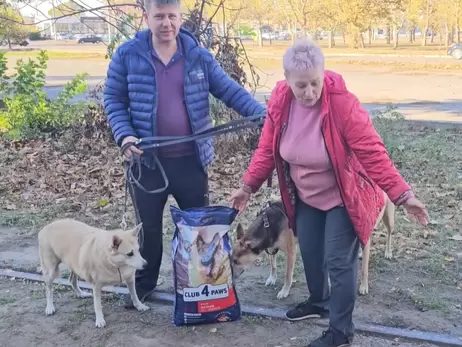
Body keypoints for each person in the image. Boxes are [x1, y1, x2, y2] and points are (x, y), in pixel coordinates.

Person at [228, 38, 429, 347]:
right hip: (305, 195)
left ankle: (340, 332)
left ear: (324, 75)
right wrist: (247, 187)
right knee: (310, 252)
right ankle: (319, 302)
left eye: (315, 83)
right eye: (301, 86)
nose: (309, 92)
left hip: (344, 196)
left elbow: (372, 152)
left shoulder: (341, 103)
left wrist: (402, 195)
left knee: (339, 260)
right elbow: (267, 150)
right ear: (287, 81)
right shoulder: (281, 102)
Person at [103, 0, 265, 309]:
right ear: (146, 17)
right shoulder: (127, 55)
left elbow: (230, 91)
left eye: (172, 16)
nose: (166, 23)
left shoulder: (198, 57)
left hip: (191, 163)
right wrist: (125, 136)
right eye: (159, 16)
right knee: (148, 230)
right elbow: (113, 98)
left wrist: (264, 116)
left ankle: (200, 284)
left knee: (197, 231)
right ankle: (145, 283)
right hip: (146, 164)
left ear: (180, 17)